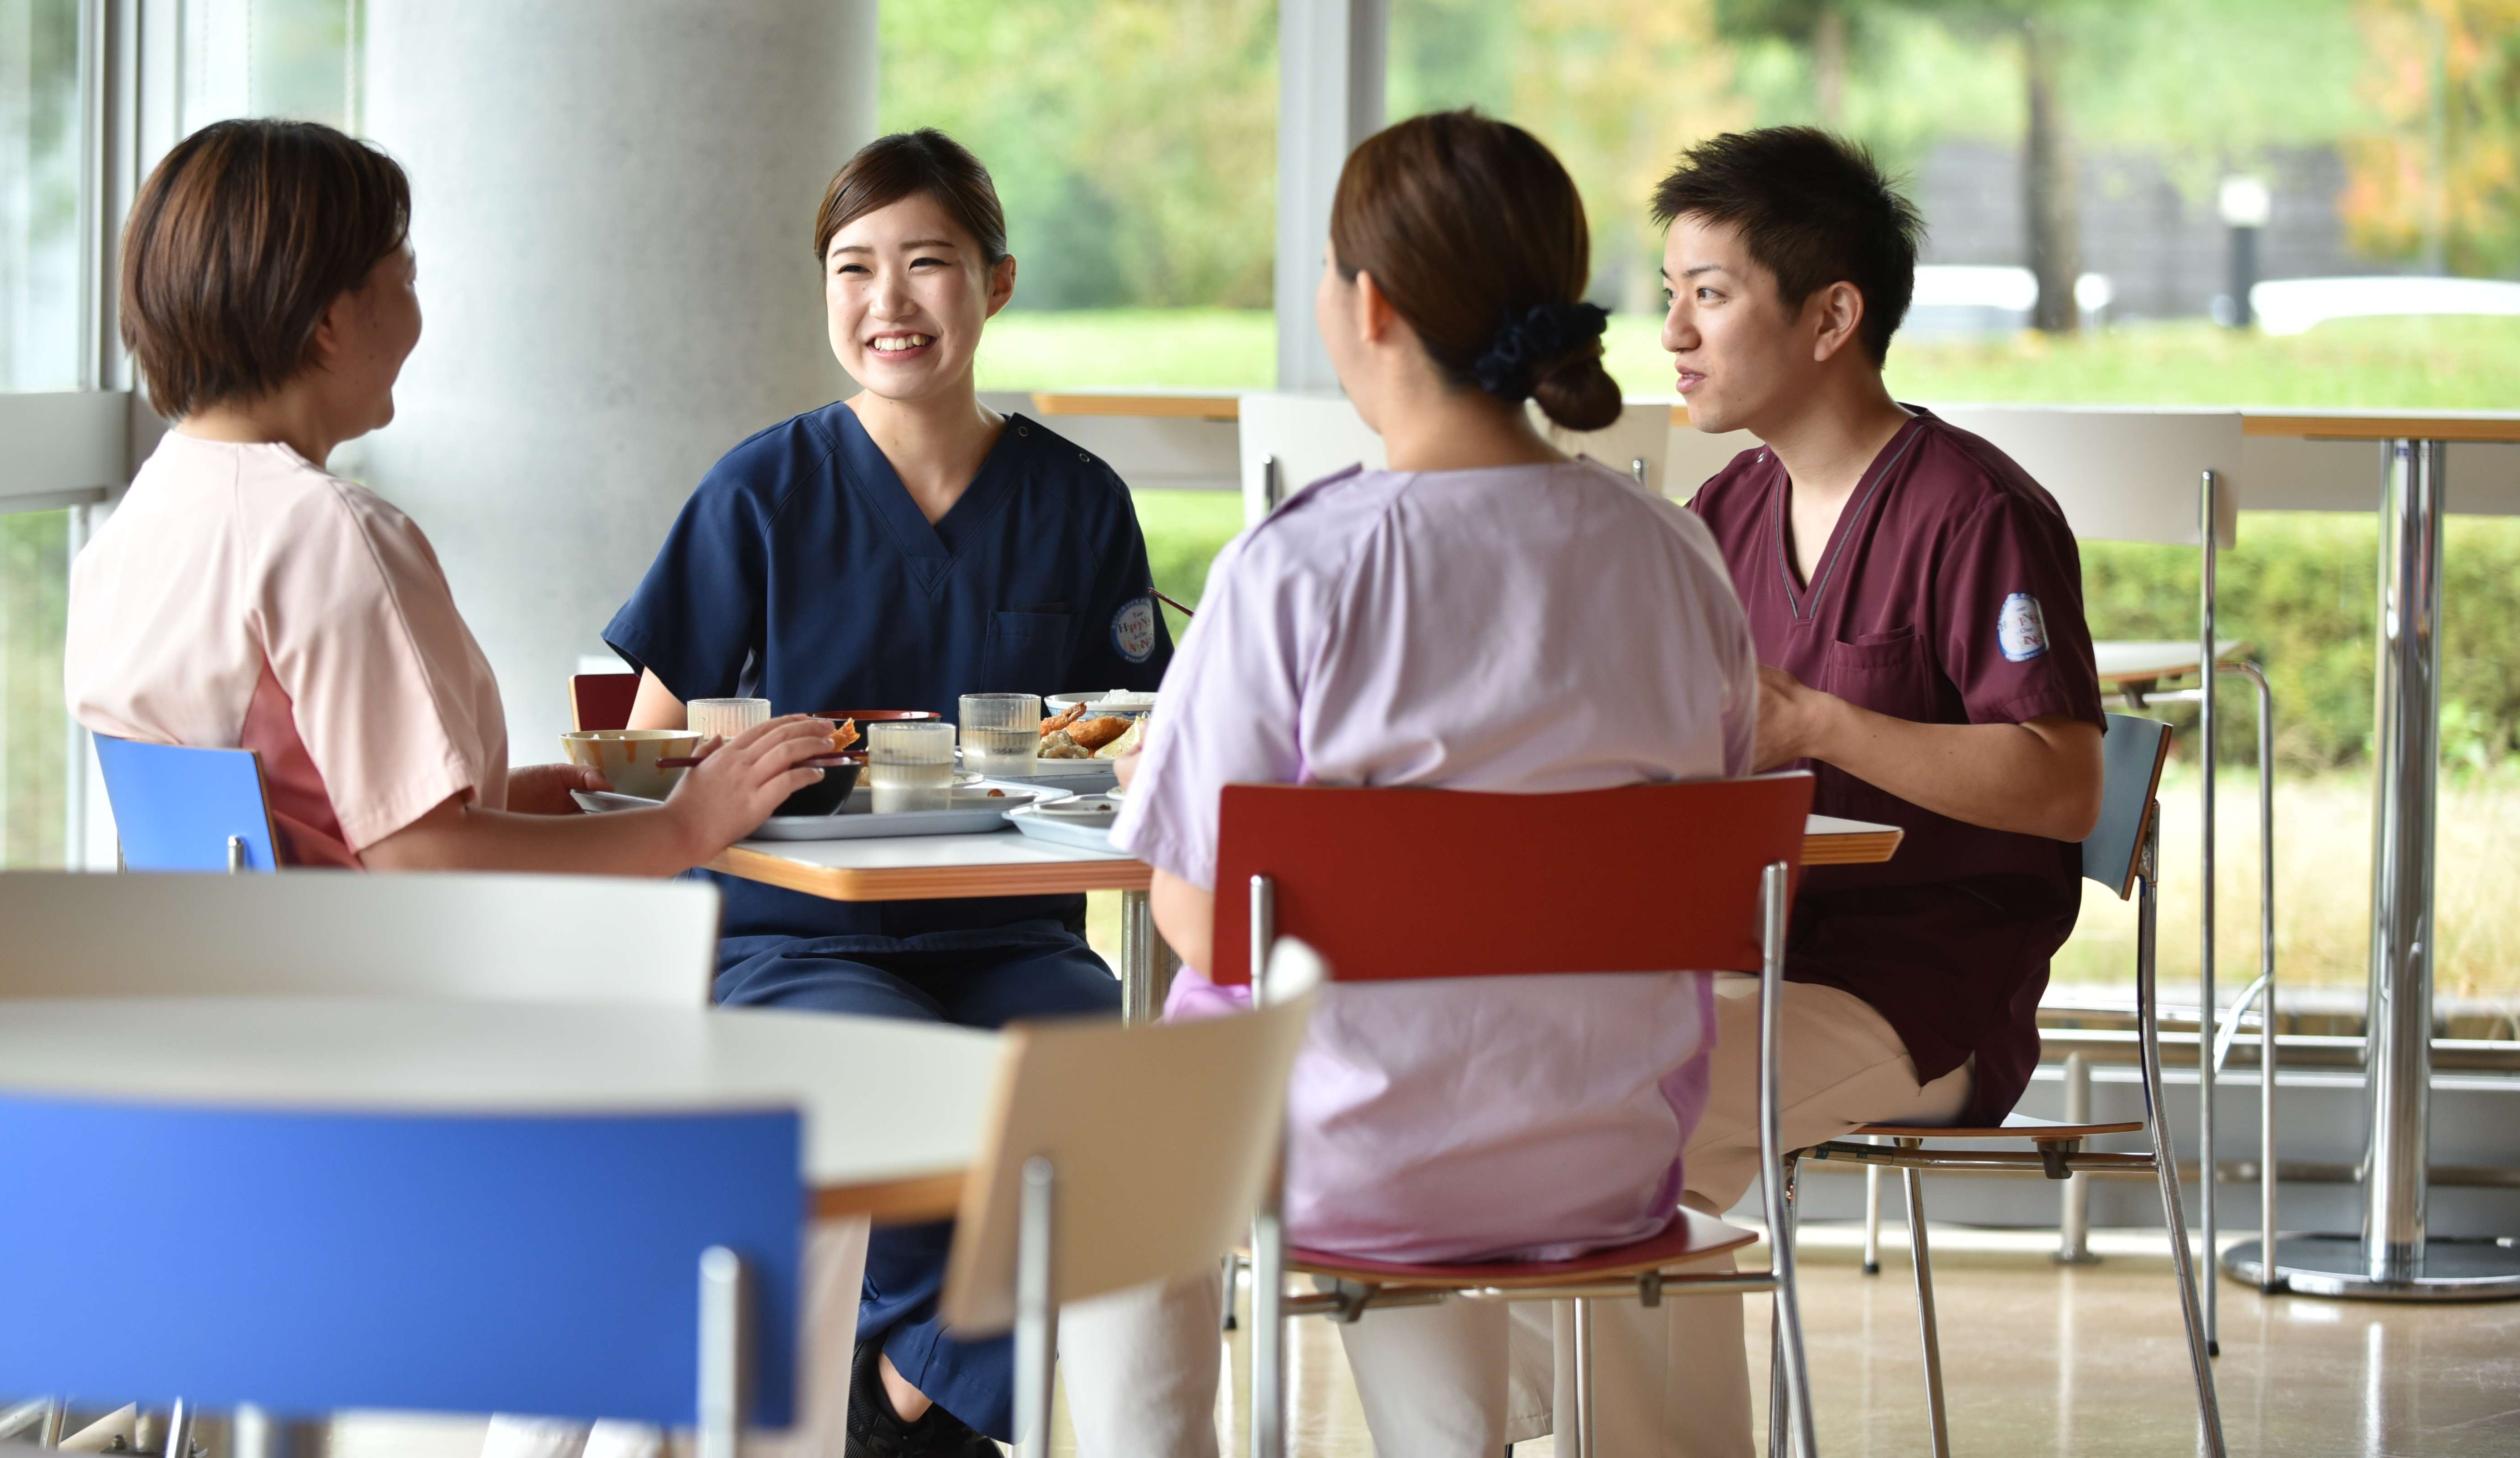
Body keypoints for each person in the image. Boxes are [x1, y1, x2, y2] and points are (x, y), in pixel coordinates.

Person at [1076, 109, 1760, 1458]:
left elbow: (1213, 928)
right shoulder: (1677, 558)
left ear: (1367, 305)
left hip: (1353, 1160)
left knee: (1108, 1162)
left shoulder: (1300, 569)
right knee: (1407, 1099)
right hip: (1609, 1156)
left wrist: (1158, 799)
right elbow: (1703, 829)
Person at [601, 128, 1172, 1457]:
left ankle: (896, 1395)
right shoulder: (761, 491)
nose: (889, 302)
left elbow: (1123, 737)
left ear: (1000, 283)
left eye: (929, 265)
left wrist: (1096, 756)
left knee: (1100, 1105)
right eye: (854, 268)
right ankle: (929, 1412)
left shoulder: (1079, 503)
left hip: (1016, 935)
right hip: (795, 939)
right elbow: (647, 754)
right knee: (919, 1105)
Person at [1591, 124, 2107, 1456]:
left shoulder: (1975, 513)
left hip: (1921, 989)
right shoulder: (1729, 514)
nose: (1672, 336)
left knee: (1643, 1116)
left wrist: (1815, 719)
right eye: (1668, 296)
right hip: (1752, 964)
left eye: (1708, 294)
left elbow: (2063, 785)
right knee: (1544, 1079)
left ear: (1832, 316)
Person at [66, 117, 836, 872]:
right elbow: (422, 860)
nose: (415, 317)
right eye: (404, 281)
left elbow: (285, 816)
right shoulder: (324, 532)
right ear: (331, 319)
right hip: (373, 986)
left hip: (224, 978)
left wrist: (499, 801)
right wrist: (687, 826)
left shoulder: (129, 535)